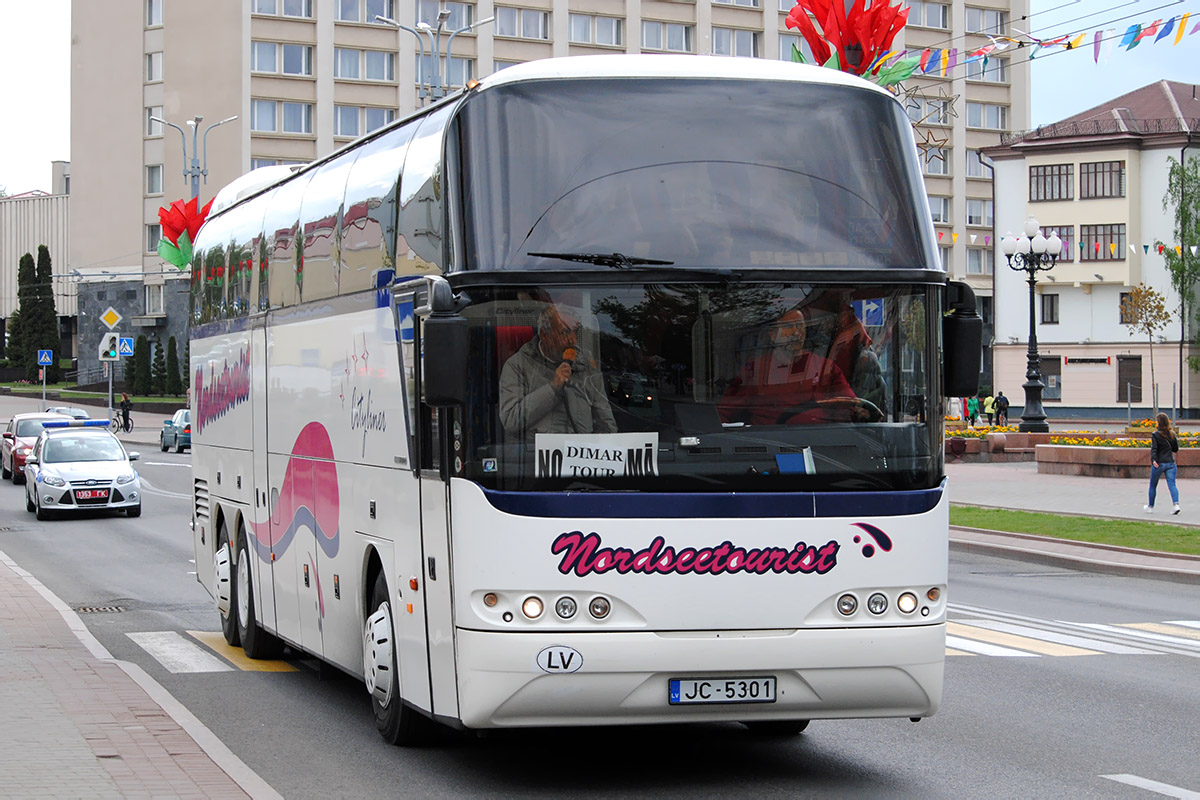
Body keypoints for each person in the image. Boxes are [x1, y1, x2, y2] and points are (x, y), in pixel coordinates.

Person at [718, 308, 864, 425]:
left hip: (819, 445)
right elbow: (724, 414)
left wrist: (860, 412)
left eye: (800, 326)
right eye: (789, 327)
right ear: (773, 334)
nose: (796, 333)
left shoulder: (825, 368)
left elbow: (850, 405)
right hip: (770, 446)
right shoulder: (754, 371)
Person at [499, 305, 617, 442]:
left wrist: (597, 451)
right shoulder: (518, 365)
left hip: (581, 457)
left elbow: (606, 422)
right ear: (544, 335)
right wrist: (552, 388)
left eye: (574, 332)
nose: (572, 340)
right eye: (564, 333)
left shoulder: (586, 366)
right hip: (538, 458)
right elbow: (510, 420)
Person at [1145, 412, 1181, 514]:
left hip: (1159, 463)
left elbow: (1154, 449)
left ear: (1159, 423)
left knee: (1153, 485)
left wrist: (1153, 460)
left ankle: (1150, 507)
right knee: (1172, 484)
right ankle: (1176, 505)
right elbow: (1175, 449)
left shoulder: (1155, 435)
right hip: (1170, 463)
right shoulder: (1172, 434)